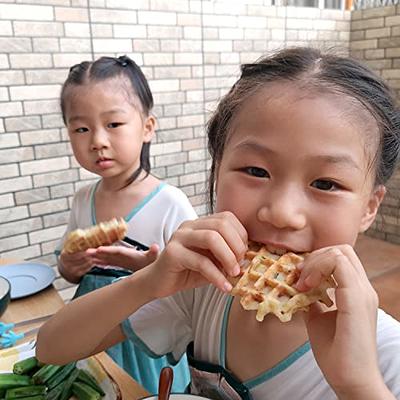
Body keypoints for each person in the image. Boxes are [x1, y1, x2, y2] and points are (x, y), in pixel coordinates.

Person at [38, 47, 400, 399]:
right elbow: (50, 347)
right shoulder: (205, 290)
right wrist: (147, 282)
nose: (282, 213)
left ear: (369, 207)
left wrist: (359, 386)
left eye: (326, 184)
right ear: (216, 172)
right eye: (256, 171)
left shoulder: (385, 358)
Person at [54, 55, 197, 395]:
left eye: (113, 124)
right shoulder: (83, 200)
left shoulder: (169, 203)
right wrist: (69, 265)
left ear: (147, 127)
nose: (97, 140)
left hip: (146, 341)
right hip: (90, 332)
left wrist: (155, 271)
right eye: (81, 129)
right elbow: (69, 270)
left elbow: (196, 290)